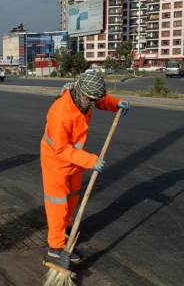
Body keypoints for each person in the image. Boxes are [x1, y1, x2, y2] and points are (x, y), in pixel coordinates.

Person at [40, 72, 129, 267]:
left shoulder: (83, 96)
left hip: (75, 160)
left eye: (94, 100)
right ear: (83, 94)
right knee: (58, 204)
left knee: (72, 197)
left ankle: (64, 227)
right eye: (91, 100)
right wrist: (90, 160)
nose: (93, 103)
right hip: (57, 162)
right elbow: (61, 149)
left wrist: (116, 103)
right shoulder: (61, 113)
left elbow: (100, 99)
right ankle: (55, 246)